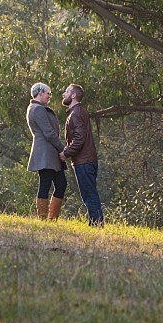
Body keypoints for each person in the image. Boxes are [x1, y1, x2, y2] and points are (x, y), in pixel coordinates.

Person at [59, 83, 104, 226]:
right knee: (88, 194)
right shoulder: (76, 112)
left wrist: (66, 153)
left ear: (73, 95)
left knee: (89, 194)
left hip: (84, 161)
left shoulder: (76, 113)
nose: (63, 94)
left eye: (66, 91)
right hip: (85, 160)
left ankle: (97, 224)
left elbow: (79, 139)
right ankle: (94, 223)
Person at [26, 82, 68, 220]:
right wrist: (63, 149)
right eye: (48, 93)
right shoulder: (37, 109)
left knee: (61, 184)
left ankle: (52, 218)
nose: (49, 96)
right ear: (40, 93)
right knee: (45, 183)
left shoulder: (39, 108)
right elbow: (49, 133)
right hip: (45, 153)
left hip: (51, 153)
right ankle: (43, 219)